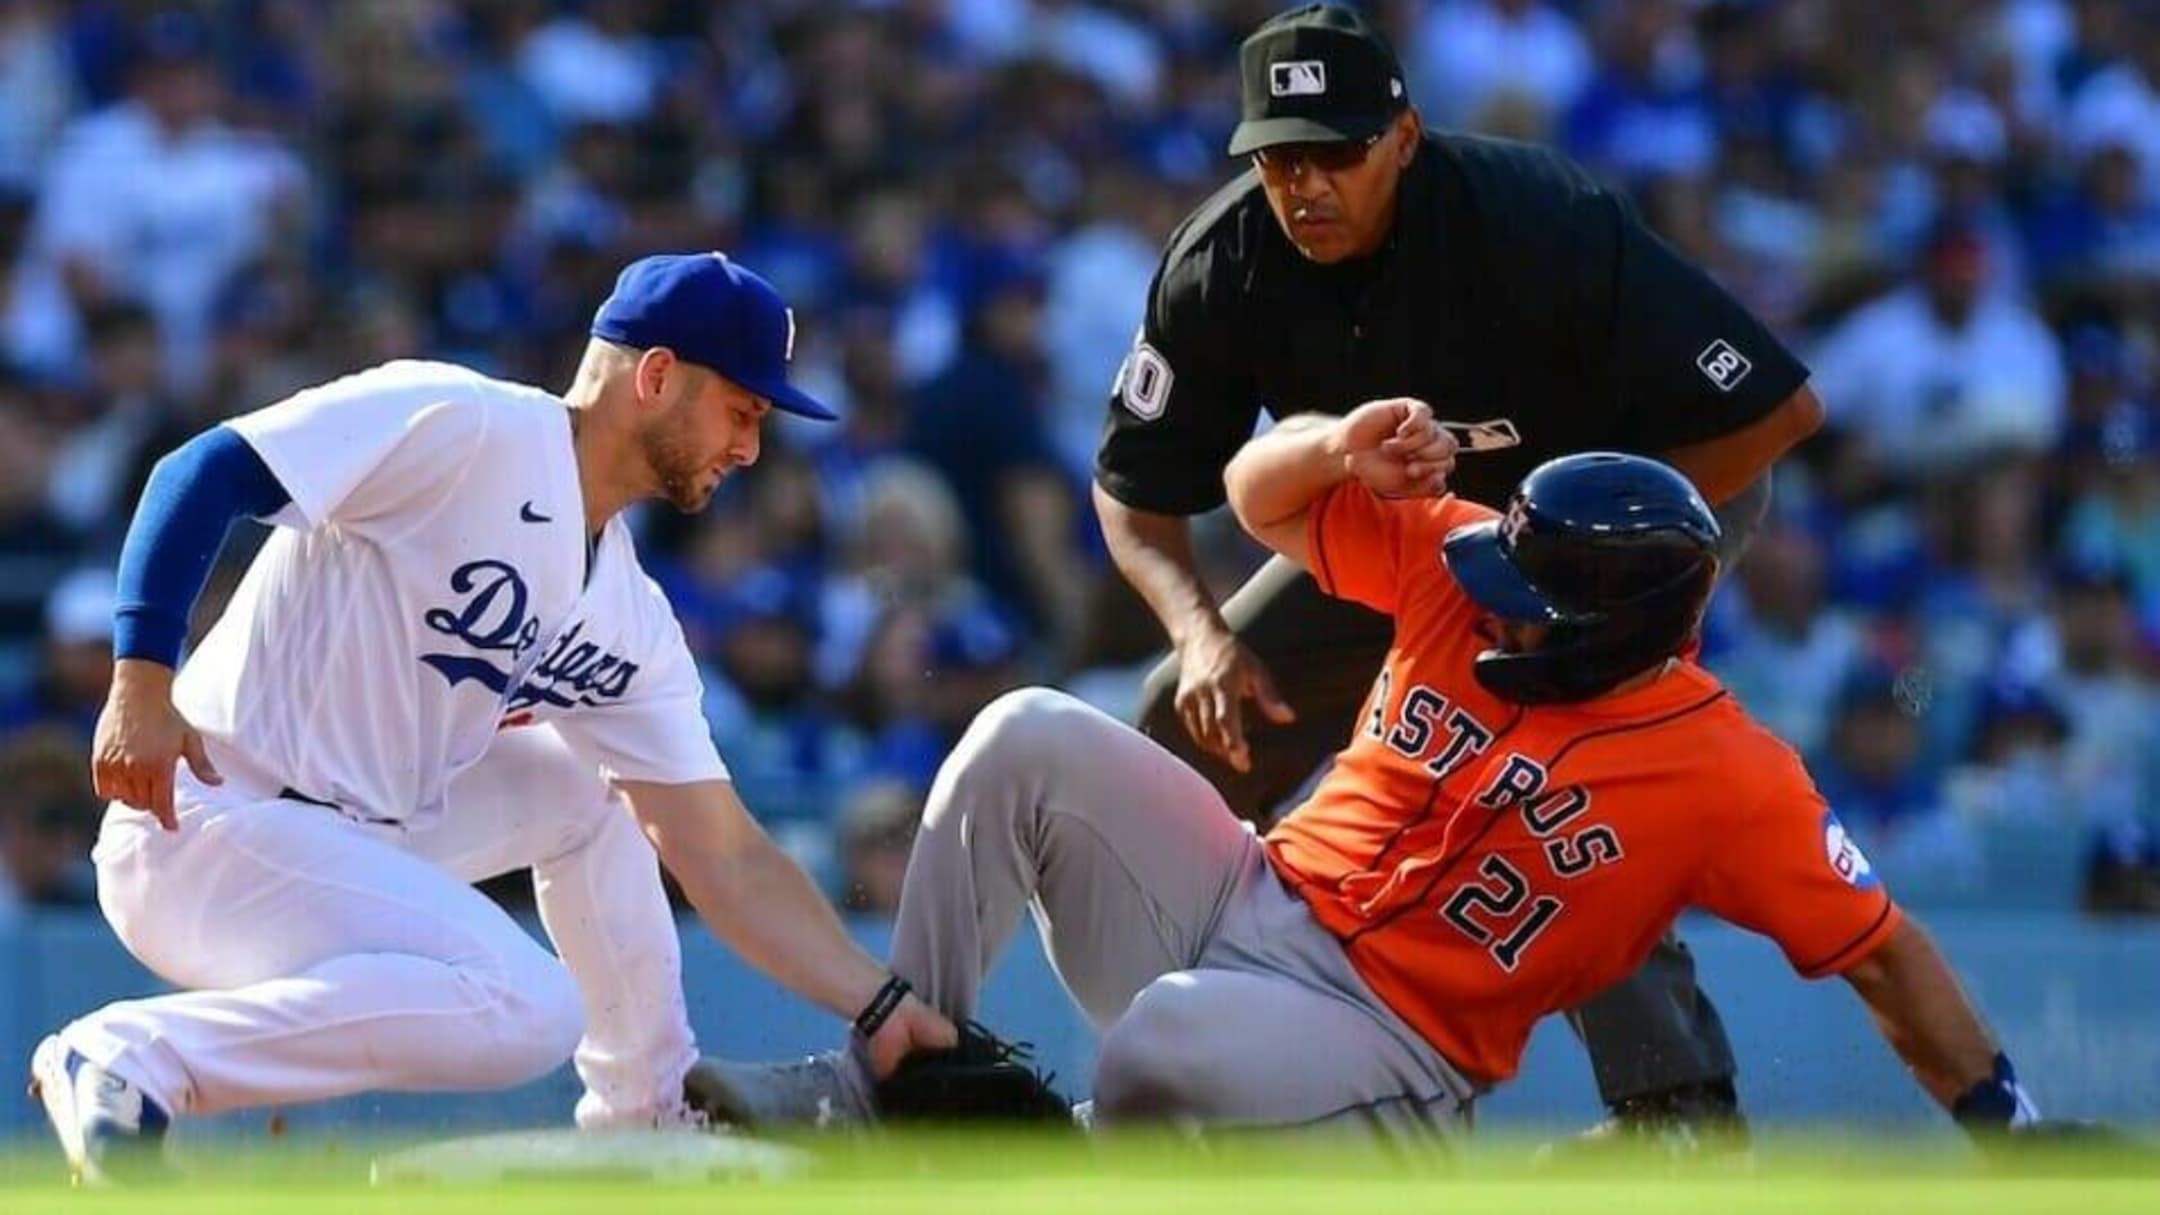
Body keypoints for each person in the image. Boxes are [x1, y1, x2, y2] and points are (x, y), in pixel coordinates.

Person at [694, 401, 2046, 1146]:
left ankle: (1045, 1154)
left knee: (1164, 1034)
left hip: (1388, 1053)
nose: (1492, 598)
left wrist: (2003, 1114)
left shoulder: (1729, 775)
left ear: (1627, 622)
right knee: (1024, 733)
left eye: (1529, 598)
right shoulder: (1471, 561)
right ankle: (893, 1083)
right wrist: (1337, 444)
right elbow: (1254, 489)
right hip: (1249, 894)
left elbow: (1881, 947)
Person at [28, 253, 957, 1184]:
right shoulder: (462, 425)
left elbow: (721, 851)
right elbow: (205, 470)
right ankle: (132, 1056)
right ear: (659, 375)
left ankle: (648, 1107)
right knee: (531, 1008)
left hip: (362, 839)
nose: (751, 447)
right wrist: (141, 679)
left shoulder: (628, 611)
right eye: (743, 409)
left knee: (590, 790)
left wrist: (880, 1005)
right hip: (213, 822)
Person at [1092, 3, 1823, 1138]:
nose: (1306, 185)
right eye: (1278, 158)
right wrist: (1198, 632)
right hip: (1409, 539)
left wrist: (1608, 555)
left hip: (1620, 521)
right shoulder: (1222, 261)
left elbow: (1776, 411)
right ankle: (1195, 1053)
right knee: (1176, 726)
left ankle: (1677, 1111)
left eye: (1335, 152)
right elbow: (1136, 496)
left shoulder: (1537, 218)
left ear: (1404, 137)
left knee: (1533, 738)